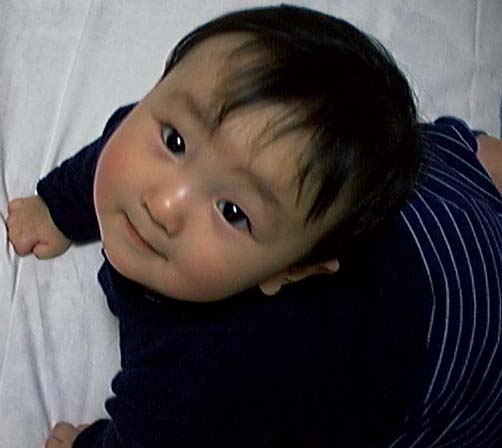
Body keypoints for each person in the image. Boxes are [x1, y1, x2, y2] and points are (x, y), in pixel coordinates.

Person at [5, 4, 502, 448]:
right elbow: (116, 144)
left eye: (233, 212)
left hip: (441, 337)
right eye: (176, 142)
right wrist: (59, 207)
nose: (164, 203)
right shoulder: (160, 133)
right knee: (460, 160)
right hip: (438, 200)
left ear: (292, 271)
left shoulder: (209, 372)